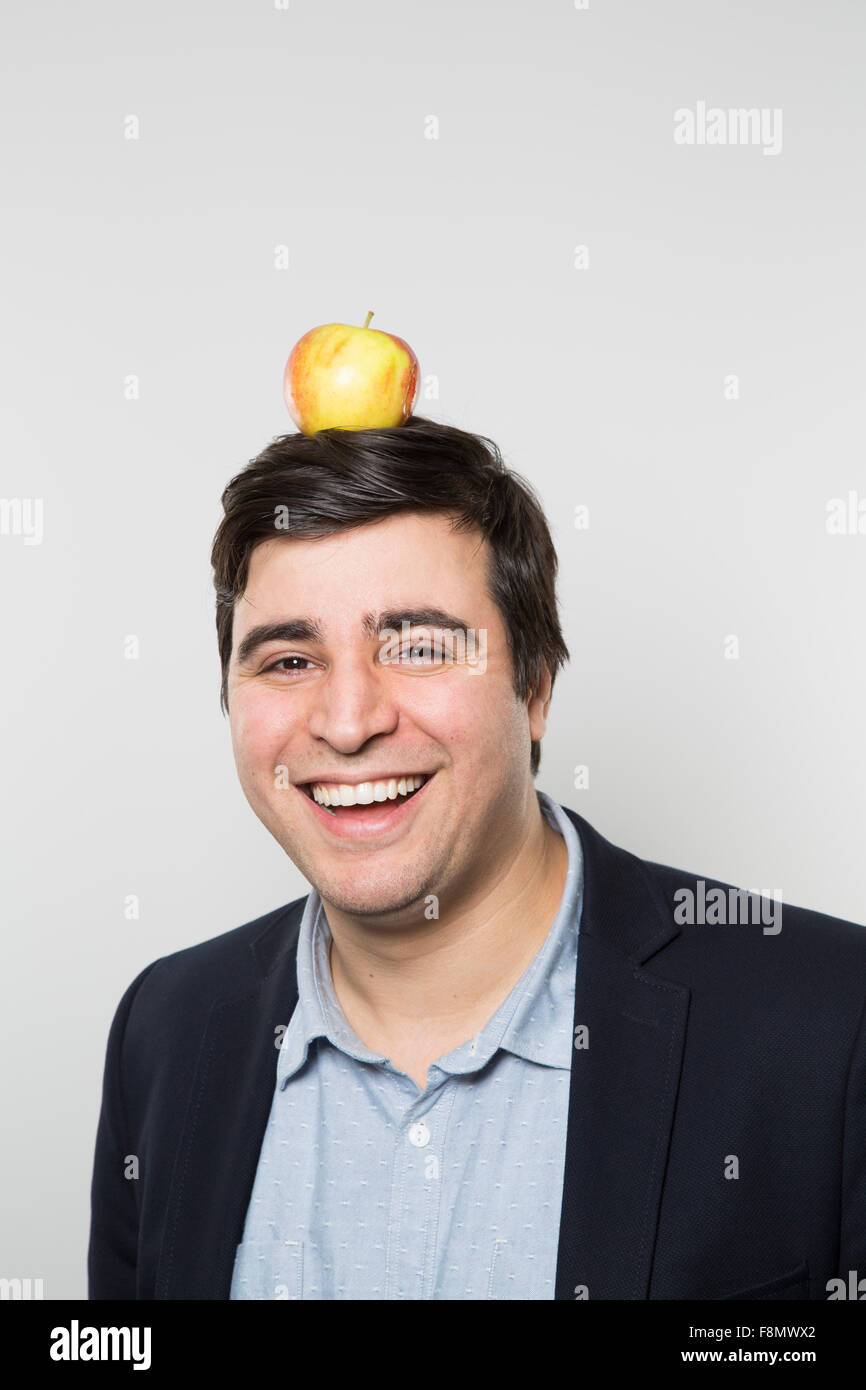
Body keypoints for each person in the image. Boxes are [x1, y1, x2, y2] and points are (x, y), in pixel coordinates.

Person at [88, 417, 866, 1300]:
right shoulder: (165, 1030)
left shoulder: (834, 1024)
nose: (348, 723)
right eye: (290, 658)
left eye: (418, 648)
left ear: (533, 688)